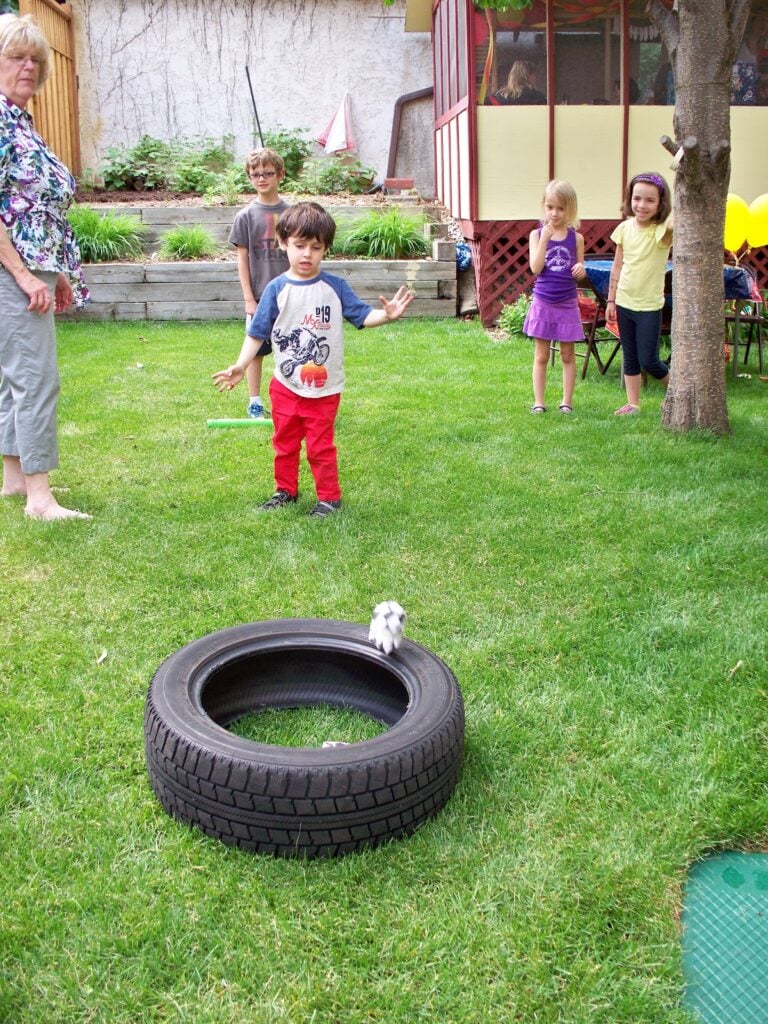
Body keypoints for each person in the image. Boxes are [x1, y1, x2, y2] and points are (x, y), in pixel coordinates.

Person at [212, 202, 413, 518]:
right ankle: (285, 491)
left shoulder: (334, 287)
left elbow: (362, 316)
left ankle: (330, 499)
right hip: (285, 386)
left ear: (326, 249)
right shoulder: (276, 290)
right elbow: (256, 332)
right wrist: (240, 364)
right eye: (299, 245)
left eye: (315, 247)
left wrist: (385, 317)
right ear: (283, 244)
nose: (306, 254)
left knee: (320, 447)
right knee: (284, 443)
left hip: (324, 388)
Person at [0, 13, 90, 520]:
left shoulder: (19, 120)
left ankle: (16, 481)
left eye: (35, 59)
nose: (28, 67)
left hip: (33, 267)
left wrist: (55, 272)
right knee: (35, 377)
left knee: (16, 376)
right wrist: (22, 273)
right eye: (16, 56)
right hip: (12, 269)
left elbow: (38, 208)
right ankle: (40, 497)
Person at [228, 147, 290, 419]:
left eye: (267, 173)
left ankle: (292, 399)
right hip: (259, 297)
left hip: (290, 295)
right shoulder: (245, 216)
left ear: (280, 175)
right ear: (249, 178)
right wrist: (249, 299)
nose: (261, 178)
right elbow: (242, 258)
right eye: (255, 174)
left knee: (292, 347)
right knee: (256, 349)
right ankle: (255, 401)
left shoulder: (292, 213)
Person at [606, 172, 673, 416]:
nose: (641, 205)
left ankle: (677, 395)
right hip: (624, 302)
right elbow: (617, 265)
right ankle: (633, 404)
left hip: (649, 307)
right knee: (630, 356)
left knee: (649, 360)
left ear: (661, 204)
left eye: (649, 200)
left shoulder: (662, 230)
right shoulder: (624, 228)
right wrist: (611, 300)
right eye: (637, 199)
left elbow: (675, 222)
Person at [524, 180, 586, 414]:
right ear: (544, 207)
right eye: (550, 207)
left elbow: (579, 270)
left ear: (570, 209)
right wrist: (545, 240)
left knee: (567, 355)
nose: (554, 213)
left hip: (567, 302)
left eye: (560, 208)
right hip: (543, 300)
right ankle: (539, 402)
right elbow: (536, 268)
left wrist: (582, 269)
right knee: (541, 355)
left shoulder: (576, 238)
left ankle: (566, 402)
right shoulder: (536, 235)